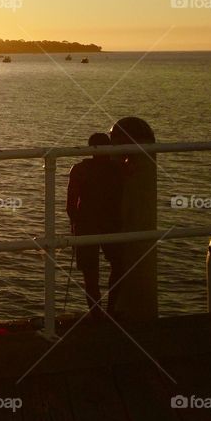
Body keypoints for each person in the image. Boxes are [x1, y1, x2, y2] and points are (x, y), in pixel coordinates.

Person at [66, 132, 124, 318]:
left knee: (90, 272)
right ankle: (111, 309)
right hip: (110, 222)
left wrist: (74, 223)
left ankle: (96, 313)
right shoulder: (117, 169)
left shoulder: (80, 169)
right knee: (118, 265)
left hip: (86, 222)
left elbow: (70, 203)